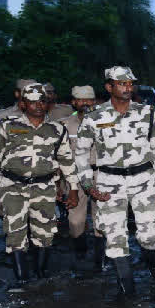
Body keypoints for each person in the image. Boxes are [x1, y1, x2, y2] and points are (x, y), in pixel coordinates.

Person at [74, 66, 155, 298]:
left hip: (144, 180)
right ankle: (128, 292)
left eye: (130, 84)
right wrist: (89, 186)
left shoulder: (147, 113)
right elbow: (80, 154)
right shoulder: (94, 117)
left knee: (149, 236)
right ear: (109, 87)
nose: (128, 87)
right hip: (109, 181)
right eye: (122, 83)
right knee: (115, 238)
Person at [0, 82, 79, 291]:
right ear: (23, 104)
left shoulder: (57, 129)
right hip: (12, 187)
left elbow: (66, 159)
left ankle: (40, 274)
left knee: (45, 232)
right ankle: (21, 279)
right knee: (15, 232)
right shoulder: (7, 125)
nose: (38, 105)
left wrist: (73, 189)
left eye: (42, 101)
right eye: (32, 102)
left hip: (44, 187)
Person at [61, 85, 106, 271]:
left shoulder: (105, 121)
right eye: (81, 100)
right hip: (74, 176)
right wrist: (58, 182)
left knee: (101, 219)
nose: (85, 103)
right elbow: (59, 155)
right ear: (74, 102)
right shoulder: (64, 124)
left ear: (94, 101)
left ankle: (99, 261)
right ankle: (80, 252)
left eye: (89, 99)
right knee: (75, 221)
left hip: (101, 174)